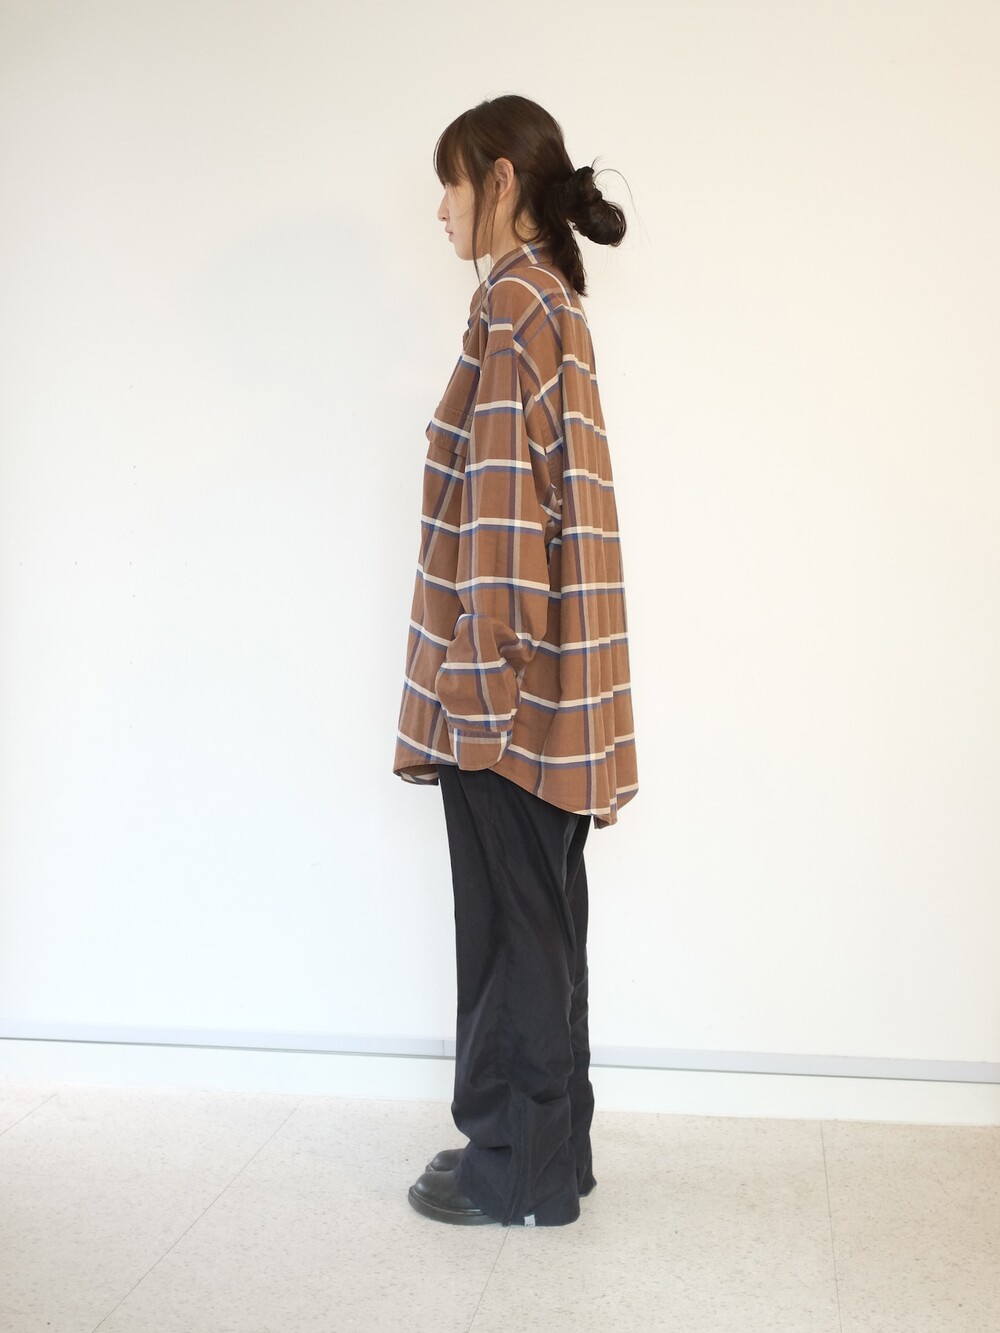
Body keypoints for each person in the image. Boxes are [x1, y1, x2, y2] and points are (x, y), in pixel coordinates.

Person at [393, 94, 638, 1227]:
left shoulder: (513, 308)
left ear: (499, 181)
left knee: (509, 934)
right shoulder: (552, 305)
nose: (440, 209)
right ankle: (548, 1153)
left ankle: (515, 1171)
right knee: (543, 925)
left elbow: (499, 518)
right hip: (554, 693)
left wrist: (475, 693)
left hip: (506, 700)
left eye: (451, 183)